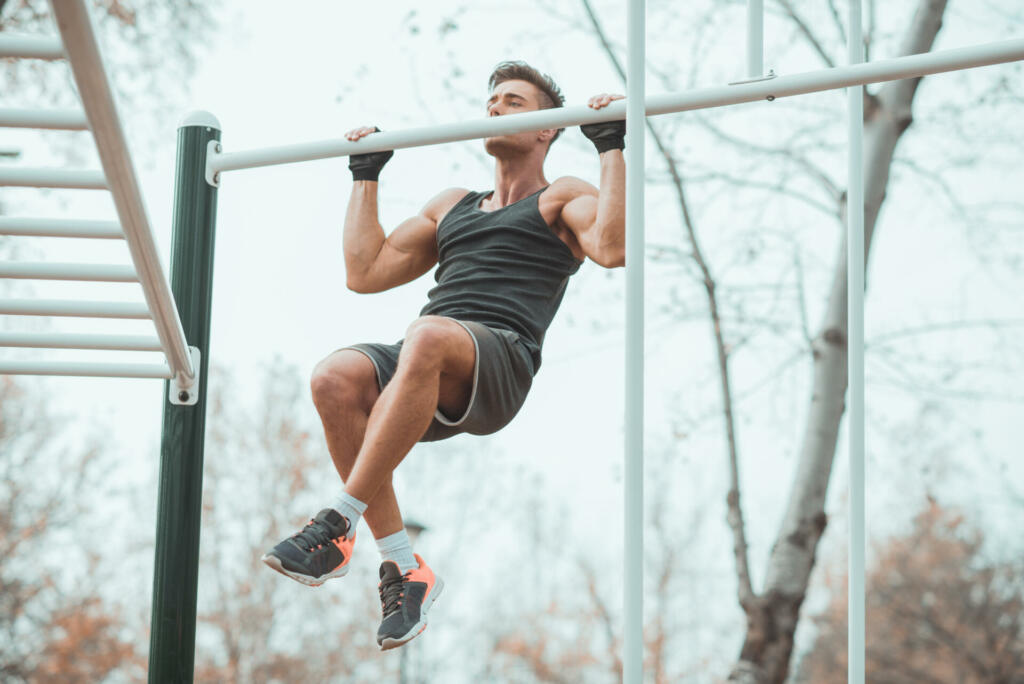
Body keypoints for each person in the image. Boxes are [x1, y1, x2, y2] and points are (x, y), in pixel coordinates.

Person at [262, 60, 626, 651]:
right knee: (336, 376)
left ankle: (336, 524)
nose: (495, 108)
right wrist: (366, 173)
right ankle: (404, 568)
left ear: (547, 129)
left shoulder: (564, 197)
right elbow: (365, 271)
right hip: (426, 358)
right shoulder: (453, 203)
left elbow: (613, 248)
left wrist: (611, 146)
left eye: (513, 101)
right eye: (491, 101)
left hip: (499, 362)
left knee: (428, 333)